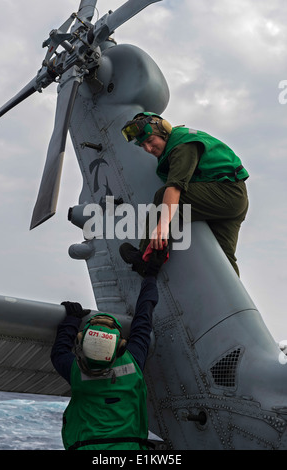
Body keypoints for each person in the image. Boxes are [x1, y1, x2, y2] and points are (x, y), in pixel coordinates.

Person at [51, 247, 168, 451]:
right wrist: (150, 275)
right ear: (120, 346)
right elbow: (143, 317)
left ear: (81, 342)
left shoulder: (76, 372)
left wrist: (71, 319)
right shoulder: (133, 361)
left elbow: (59, 352)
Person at [120, 112, 249, 276]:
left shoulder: (182, 145)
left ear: (164, 131)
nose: (148, 149)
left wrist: (161, 227)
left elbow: (175, 187)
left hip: (227, 193)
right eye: (143, 145)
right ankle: (232, 301)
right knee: (222, 260)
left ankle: (145, 258)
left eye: (151, 141)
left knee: (163, 196)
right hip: (235, 199)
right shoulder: (180, 140)